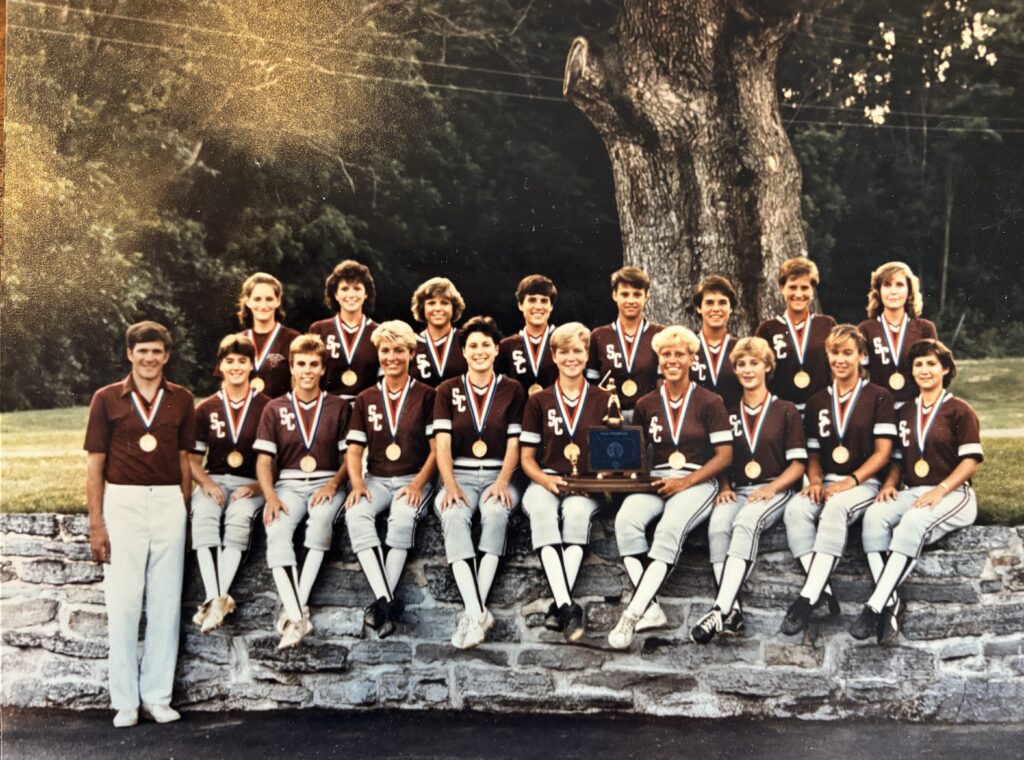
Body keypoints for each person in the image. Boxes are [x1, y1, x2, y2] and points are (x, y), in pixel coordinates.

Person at [84, 321, 196, 728]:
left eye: (157, 352)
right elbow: (95, 465)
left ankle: (157, 697)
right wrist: (97, 523)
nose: (149, 358)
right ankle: (125, 701)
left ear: (167, 356)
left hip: (168, 500)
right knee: (124, 603)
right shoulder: (107, 398)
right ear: (129, 354)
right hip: (124, 501)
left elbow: (185, 460)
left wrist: (183, 513)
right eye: (142, 351)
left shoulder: (182, 399)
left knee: (166, 604)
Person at [608, 326, 733, 649]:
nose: (672, 360)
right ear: (658, 359)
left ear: (693, 358)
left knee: (668, 529)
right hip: (660, 480)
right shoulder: (646, 402)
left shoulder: (710, 401)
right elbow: (635, 451)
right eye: (666, 354)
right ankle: (652, 608)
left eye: (680, 354)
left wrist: (686, 482)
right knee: (626, 520)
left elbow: (725, 455)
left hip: (697, 480)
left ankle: (631, 616)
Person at [854, 339, 983, 644]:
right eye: (918, 365)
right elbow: (898, 461)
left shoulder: (959, 410)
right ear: (912, 372)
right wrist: (887, 485)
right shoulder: (907, 410)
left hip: (954, 492)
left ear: (945, 369)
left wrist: (941, 490)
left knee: (912, 523)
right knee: (874, 517)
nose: (924, 370)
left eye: (931, 364)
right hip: (914, 489)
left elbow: (970, 462)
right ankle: (891, 603)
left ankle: (875, 605)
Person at [779, 325, 897, 635]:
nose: (841, 359)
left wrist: (852, 480)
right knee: (796, 510)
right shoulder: (817, 399)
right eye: (835, 353)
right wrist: (815, 480)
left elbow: (883, 453)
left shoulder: (879, 396)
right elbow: (814, 453)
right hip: (828, 479)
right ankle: (823, 592)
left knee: (835, 509)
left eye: (848, 353)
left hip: (864, 482)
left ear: (861, 356)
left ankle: (805, 599)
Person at [691, 337, 807, 645]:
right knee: (718, 525)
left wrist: (772, 488)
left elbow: (798, 467)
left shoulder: (785, 410)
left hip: (774, 489)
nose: (747, 369)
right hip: (739, 489)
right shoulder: (727, 411)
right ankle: (734, 613)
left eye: (754, 362)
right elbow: (721, 460)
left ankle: (719, 608)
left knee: (745, 522)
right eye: (741, 364)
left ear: (767, 366)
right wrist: (726, 487)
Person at [433, 316, 526, 648]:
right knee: (454, 514)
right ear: (463, 351)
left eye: (486, 344)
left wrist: (503, 481)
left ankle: (472, 615)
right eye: (472, 345)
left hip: (499, 474)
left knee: (497, 513)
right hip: (459, 474)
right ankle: (477, 612)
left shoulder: (513, 389)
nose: (479, 351)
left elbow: (515, 443)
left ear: (497, 349)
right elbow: (441, 444)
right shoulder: (447, 390)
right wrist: (451, 484)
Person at [254, 335, 350, 650]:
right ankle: (298, 615)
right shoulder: (274, 407)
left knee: (321, 519)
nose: (307, 371)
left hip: (326, 480)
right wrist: (270, 497)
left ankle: (295, 611)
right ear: (292, 369)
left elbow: (350, 457)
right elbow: (264, 460)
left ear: (323, 369)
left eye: (313, 365)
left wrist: (334, 484)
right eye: (300, 365)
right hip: (290, 484)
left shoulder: (338, 406)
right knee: (277, 527)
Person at [344, 321, 437, 638]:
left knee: (402, 517)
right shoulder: (366, 397)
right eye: (386, 350)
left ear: (411, 353)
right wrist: (357, 484)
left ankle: (380, 606)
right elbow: (355, 450)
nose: (392, 357)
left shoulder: (427, 395)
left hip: (414, 477)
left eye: (399, 350)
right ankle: (386, 601)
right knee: (356, 513)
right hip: (378, 478)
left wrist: (417, 484)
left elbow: (438, 450)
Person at [520, 322, 611, 642]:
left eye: (578, 351)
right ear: (554, 357)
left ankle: (559, 607)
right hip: (546, 481)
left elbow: (614, 456)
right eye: (564, 352)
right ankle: (566, 605)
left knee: (575, 515)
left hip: (585, 485)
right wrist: (545, 480)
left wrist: (596, 480)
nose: (571, 358)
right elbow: (526, 459)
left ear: (587, 355)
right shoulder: (539, 401)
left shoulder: (604, 399)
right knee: (542, 512)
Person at [189, 335, 271, 634]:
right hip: (216, 479)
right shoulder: (206, 408)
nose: (236, 367)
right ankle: (216, 597)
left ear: (252, 365)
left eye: (242, 361)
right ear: (220, 366)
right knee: (203, 513)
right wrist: (207, 484)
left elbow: (277, 462)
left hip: (253, 482)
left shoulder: (268, 406)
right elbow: (192, 460)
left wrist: (259, 488)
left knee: (239, 517)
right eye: (230, 361)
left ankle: (215, 600)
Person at [755, 257, 837, 415]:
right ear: (782, 288)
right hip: (780, 412)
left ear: (812, 290)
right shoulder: (768, 329)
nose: (798, 294)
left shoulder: (827, 324)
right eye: (792, 287)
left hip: (821, 411)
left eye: (804, 287)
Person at [858, 261, 938, 410]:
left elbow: (935, 374)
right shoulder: (866, 329)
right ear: (878, 291)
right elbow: (859, 375)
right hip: (878, 409)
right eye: (887, 285)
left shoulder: (925, 329)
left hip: (916, 408)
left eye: (900, 285)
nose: (893, 291)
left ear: (909, 290)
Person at [586, 266, 663, 422]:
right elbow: (591, 386)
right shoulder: (599, 336)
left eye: (637, 294)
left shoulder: (660, 334)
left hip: (649, 418)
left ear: (646, 296)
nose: (631, 300)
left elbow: (664, 382)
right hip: (609, 418)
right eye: (625, 294)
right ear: (614, 295)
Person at [308, 259, 381, 402]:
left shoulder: (378, 332)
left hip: (365, 408)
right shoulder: (318, 329)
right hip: (327, 408)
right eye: (345, 289)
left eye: (357, 288)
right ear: (335, 294)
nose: (351, 294)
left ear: (366, 294)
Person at [235, 272, 301, 398]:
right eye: (257, 299)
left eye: (269, 299)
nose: (263, 305)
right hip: (246, 416)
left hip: (280, 414)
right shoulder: (237, 342)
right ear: (248, 301)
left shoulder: (294, 340)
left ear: (278, 301)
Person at [498, 274, 560, 396]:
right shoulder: (507, 346)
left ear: (551, 306)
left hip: (556, 412)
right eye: (532, 300)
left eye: (544, 301)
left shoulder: (562, 341)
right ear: (520, 305)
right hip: (519, 413)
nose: (538, 306)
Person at [689, 275, 743, 410]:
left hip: (733, 424)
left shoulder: (741, 348)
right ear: (698, 308)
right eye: (709, 302)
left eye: (722, 302)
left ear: (731, 308)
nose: (716, 308)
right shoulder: (687, 347)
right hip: (696, 423)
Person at [410, 277, 468, 387]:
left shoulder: (466, 340)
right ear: (422, 307)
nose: (438, 308)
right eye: (431, 303)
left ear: (453, 307)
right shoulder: (412, 343)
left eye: (444, 303)